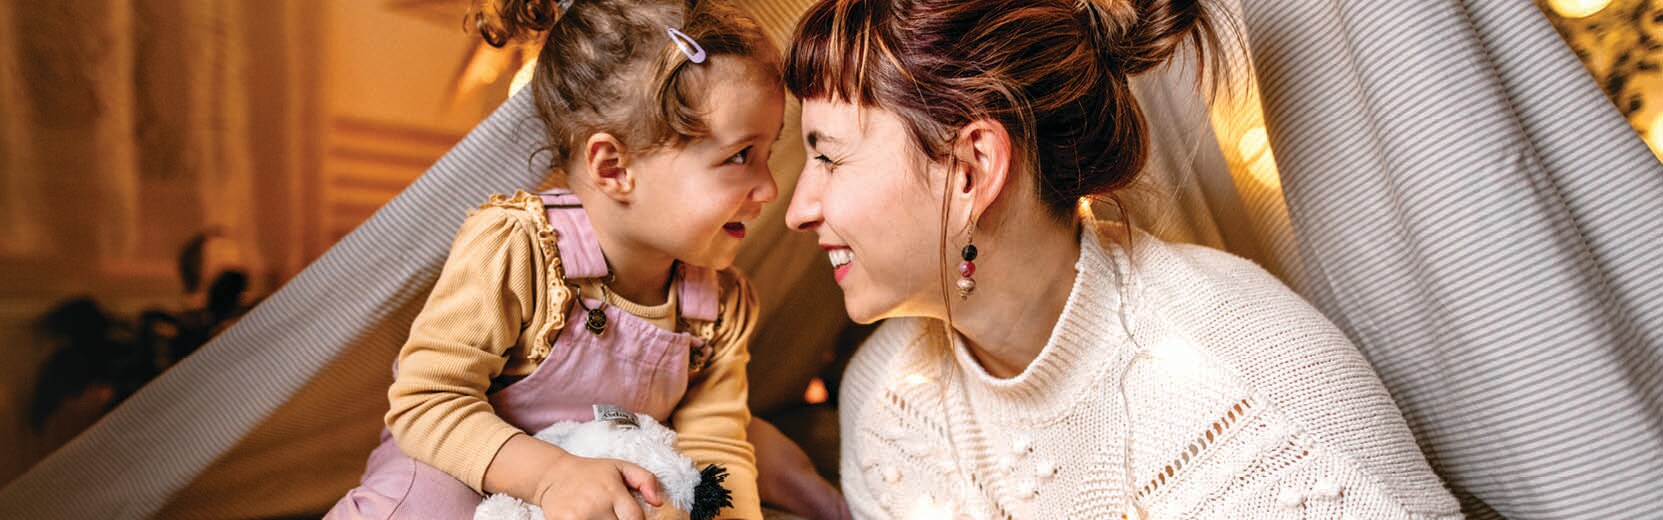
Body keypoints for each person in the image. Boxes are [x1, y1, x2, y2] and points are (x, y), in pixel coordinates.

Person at [780, 0, 1464, 517]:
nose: (797, 208)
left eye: (828, 156)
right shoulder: (887, 398)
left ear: (971, 169)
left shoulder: (1255, 382)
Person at [329, 0, 783, 517]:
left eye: (770, 153)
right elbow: (426, 402)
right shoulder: (518, 249)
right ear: (613, 167)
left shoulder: (720, 305)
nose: (769, 187)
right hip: (462, 469)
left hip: (598, 490)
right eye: (740, 156)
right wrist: (552, 477)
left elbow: (717, 447)